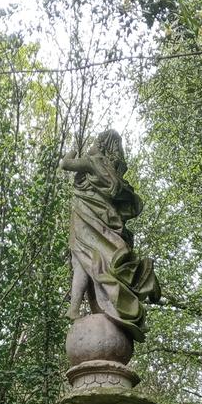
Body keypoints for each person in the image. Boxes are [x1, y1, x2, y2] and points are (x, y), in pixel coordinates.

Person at [60, 129, 160, 341]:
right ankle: (75, 309)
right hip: (104, 225)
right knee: (89, 262)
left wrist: (71, 151)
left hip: (86, 220)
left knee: (83, 261)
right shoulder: (113, 171)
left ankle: (75, 308)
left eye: (96, 141)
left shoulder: (92, 161)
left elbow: (65, 164)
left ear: (101, 144)